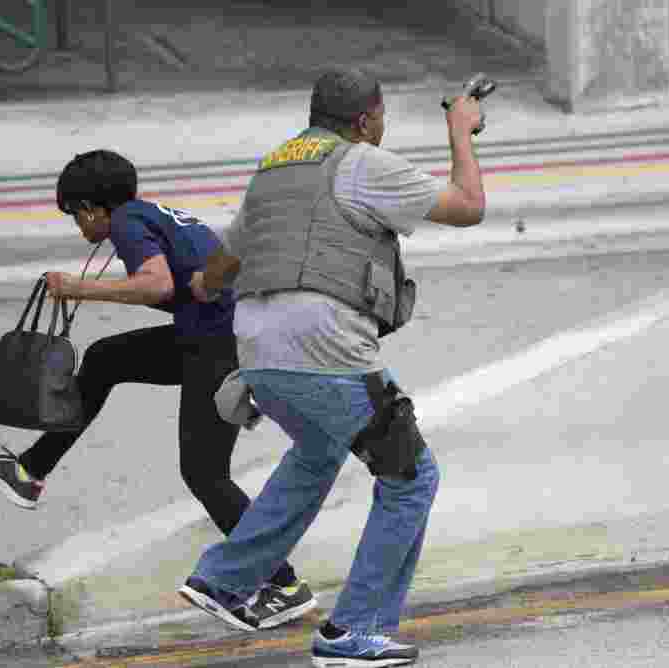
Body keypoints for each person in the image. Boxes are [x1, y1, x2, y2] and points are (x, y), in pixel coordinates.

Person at [177, 68, 485, 666]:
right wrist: (461, 130)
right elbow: (468, 206)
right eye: (382, 116)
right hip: (324, 349)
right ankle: (351, 630)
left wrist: (197, 284)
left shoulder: (274, 168)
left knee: (317, 451)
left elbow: (224, 263)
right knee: (409, 478)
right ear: (366, 120)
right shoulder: (365, 163)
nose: (383, 126)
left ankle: (226, 577)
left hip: (259, 352)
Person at [0, 150, 316, 628]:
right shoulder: (150, 214)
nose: (78, 225)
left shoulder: (128, 224)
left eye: (75, 214)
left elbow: (155, 284)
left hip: (220, 344)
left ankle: (283, 583)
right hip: (217, 333)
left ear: (92, 208)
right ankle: (31, 470)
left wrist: (76, 287)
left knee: (204, 473)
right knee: (105, 358)